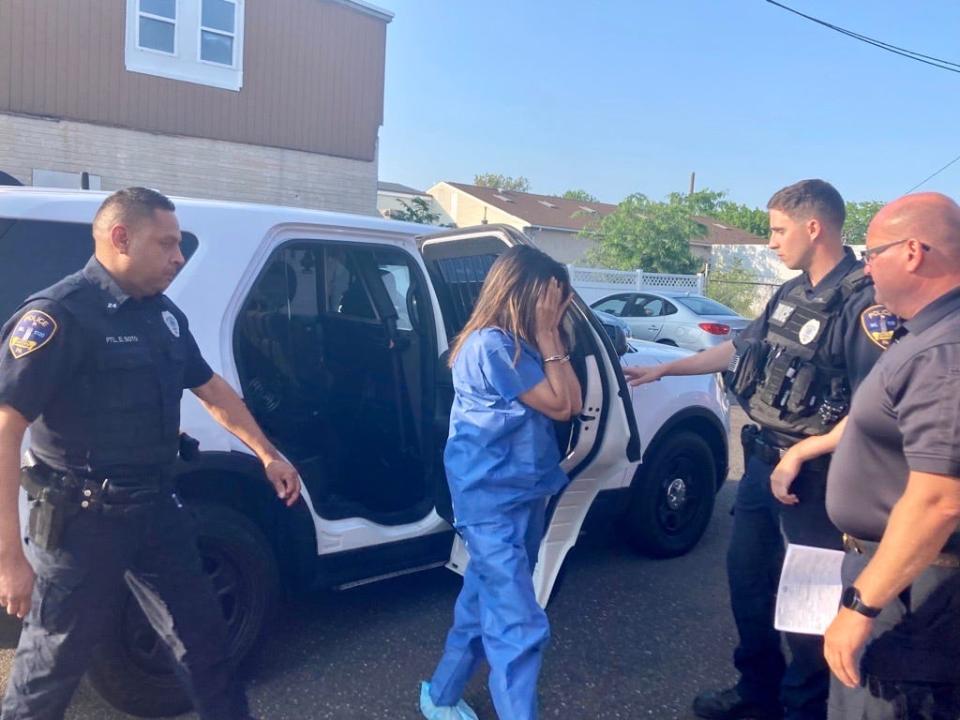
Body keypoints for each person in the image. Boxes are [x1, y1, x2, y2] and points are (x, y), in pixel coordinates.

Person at [0, 187, 301, 720]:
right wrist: (9, 559)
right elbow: (6, 428)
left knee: (204, 645)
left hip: (157, 509)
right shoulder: (59, 316)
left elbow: (212, 389)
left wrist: (267, 453)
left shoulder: (162, 315)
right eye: (166, 244)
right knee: (49, 668)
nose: (178, 256)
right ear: (121, 238)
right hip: (81, 522)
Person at [624, 179, 894, 720]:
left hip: (817, 482)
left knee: (807, 605)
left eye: (777, 230)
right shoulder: (789, 293)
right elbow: (738, 350)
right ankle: (757, 692)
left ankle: (804, 706)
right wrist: (666, 367)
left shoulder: (865, 304)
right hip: (763, 466)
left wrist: (802, 453)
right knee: (748, 585)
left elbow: (876, 403)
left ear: (813, 227)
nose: (771, 243)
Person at [419, 245, 582, 720]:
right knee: (518, 623)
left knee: (481, 600)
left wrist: (552, 336)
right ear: (524, 294)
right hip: (491, 503)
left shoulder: (523, 345)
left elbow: (570, 402)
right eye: (553, 300)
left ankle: (442, 696)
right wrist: (550, 333)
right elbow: (557, 406)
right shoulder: (490, 345)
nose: (557, 309)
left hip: (521, 495)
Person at [823, 192, 960, 719]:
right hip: (895, 576)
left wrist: (861, 607)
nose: (864, 264)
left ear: (912, 252)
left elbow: (938, 500)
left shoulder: (943, 352)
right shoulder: (925, 333)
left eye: (872, 252)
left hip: (914, 594)